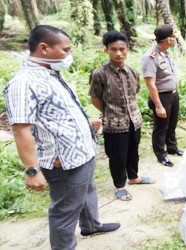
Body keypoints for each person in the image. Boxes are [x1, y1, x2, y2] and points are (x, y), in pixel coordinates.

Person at [4, 25, 120, 250]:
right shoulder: (23, 83)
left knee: (87, 191)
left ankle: (91, 225)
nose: (68, 55)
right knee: (65, 210)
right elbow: (21, 129)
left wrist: (85, 124)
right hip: (63, 161)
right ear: (44, 48)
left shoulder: (51, 74)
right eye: (65, 50)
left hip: (82, 152)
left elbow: (56, 115)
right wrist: (32, 171)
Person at [89, 31, 154, 201]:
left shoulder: (132, 72)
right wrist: (108, 111)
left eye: (122, 49)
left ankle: (134, 177)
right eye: (114, 49)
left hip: (134, 120)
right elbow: (94, 98)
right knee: (117, 156)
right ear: (107, 51)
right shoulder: (100, 73)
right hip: (113, 123)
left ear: (127, 50)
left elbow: (135, 93)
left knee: (133, 151)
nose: (118, 53)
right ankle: (119, 185)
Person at [141, 24, 183, 167]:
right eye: (173, 37)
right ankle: (161, 155)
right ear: (168, 40)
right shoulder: (150, 57)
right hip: (161, 97)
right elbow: (150, 84)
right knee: (161, 127)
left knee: (171, 124)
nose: (175, 40)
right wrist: (158, 105)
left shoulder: (164, 53)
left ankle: (172, 147)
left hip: (172, 95)